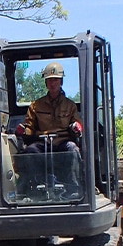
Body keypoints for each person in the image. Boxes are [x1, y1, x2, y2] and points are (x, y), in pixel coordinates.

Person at [14, 62, 83, 197]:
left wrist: (76, 128)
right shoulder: (35, 105)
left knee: (72, 149)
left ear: (61, 82)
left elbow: (77, 125)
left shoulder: (70, 106)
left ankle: (73, 188)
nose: (53, 83)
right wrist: (23, 130)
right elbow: (30, 127)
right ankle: (32, 187)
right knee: (30, 151)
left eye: (56, 80)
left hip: (62, 142)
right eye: (50, 80)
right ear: (46, 82)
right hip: (42, 143)